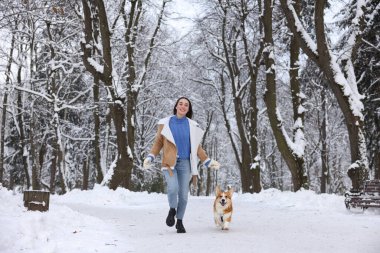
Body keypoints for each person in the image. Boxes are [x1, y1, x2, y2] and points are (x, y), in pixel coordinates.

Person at [143, 97, 220, 233]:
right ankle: (172, 209)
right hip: (169, 163)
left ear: (188, 109)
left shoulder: (192, 125)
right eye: (181, 104)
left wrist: (207, 161)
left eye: (186, 105)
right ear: (176, 106)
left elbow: (197, 147)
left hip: (185, 163)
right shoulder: (165, 123)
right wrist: (150, 156)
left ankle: (179, 221)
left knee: (184, 195)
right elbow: (158, 143)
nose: (183, 106)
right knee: (173, 188)